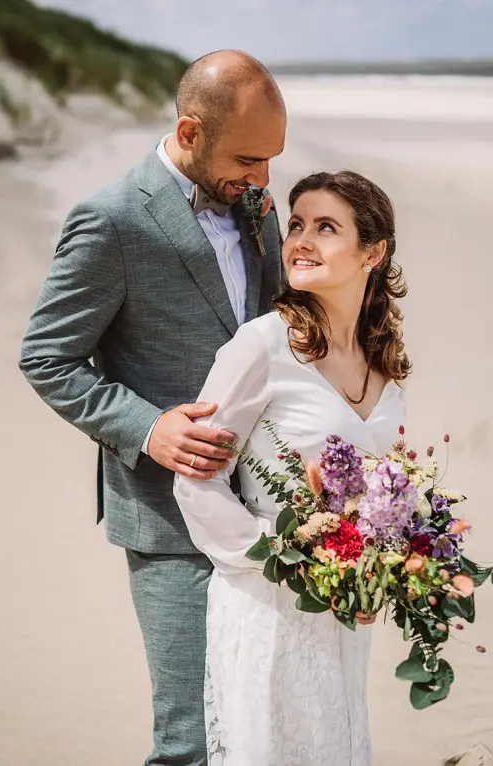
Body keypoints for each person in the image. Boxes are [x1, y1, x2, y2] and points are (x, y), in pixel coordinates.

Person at [19, 50, 285, 765]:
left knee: (255, 724)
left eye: (271, 161)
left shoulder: (257, 210)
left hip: (267, 513)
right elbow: (46, 357)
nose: (262, 179)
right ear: (191, 133)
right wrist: (149, 426)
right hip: (168, 522)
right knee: (190, 742)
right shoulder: (110, 223)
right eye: (250, 158)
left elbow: (275, 338)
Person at [174, 170, 407, 765]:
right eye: (296, 225)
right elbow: (197, 480)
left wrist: (388, 566)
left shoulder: (383, 363)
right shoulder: (262, 345)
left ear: (372, 252)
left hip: (344, 609)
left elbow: (390, 489)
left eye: (326, 228)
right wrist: (279, 561)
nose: (301, 239)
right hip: (268, 605)